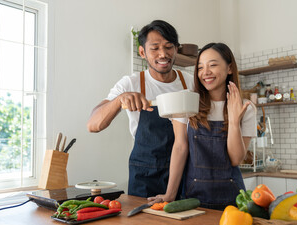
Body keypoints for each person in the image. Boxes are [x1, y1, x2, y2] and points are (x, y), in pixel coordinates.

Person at [87, 20, 194, 198]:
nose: (163, 54)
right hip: (145, 174)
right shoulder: (132, 83)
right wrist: (119, 100)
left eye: (169, 47)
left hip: (186, 170)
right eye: (155, 48)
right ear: (142, 52)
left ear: (176, 49)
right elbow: (93, 125)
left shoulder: (190, 82)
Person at [149, 42, 256, 209]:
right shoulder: (186, 100)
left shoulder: (245, 107)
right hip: (193, 197)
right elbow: (180, 147)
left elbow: (236, 159)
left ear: (229, 68)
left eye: (212, 65)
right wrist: (169, 194)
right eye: (200, 67)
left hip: (233, 199)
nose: (205, 72)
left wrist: (234, 121)